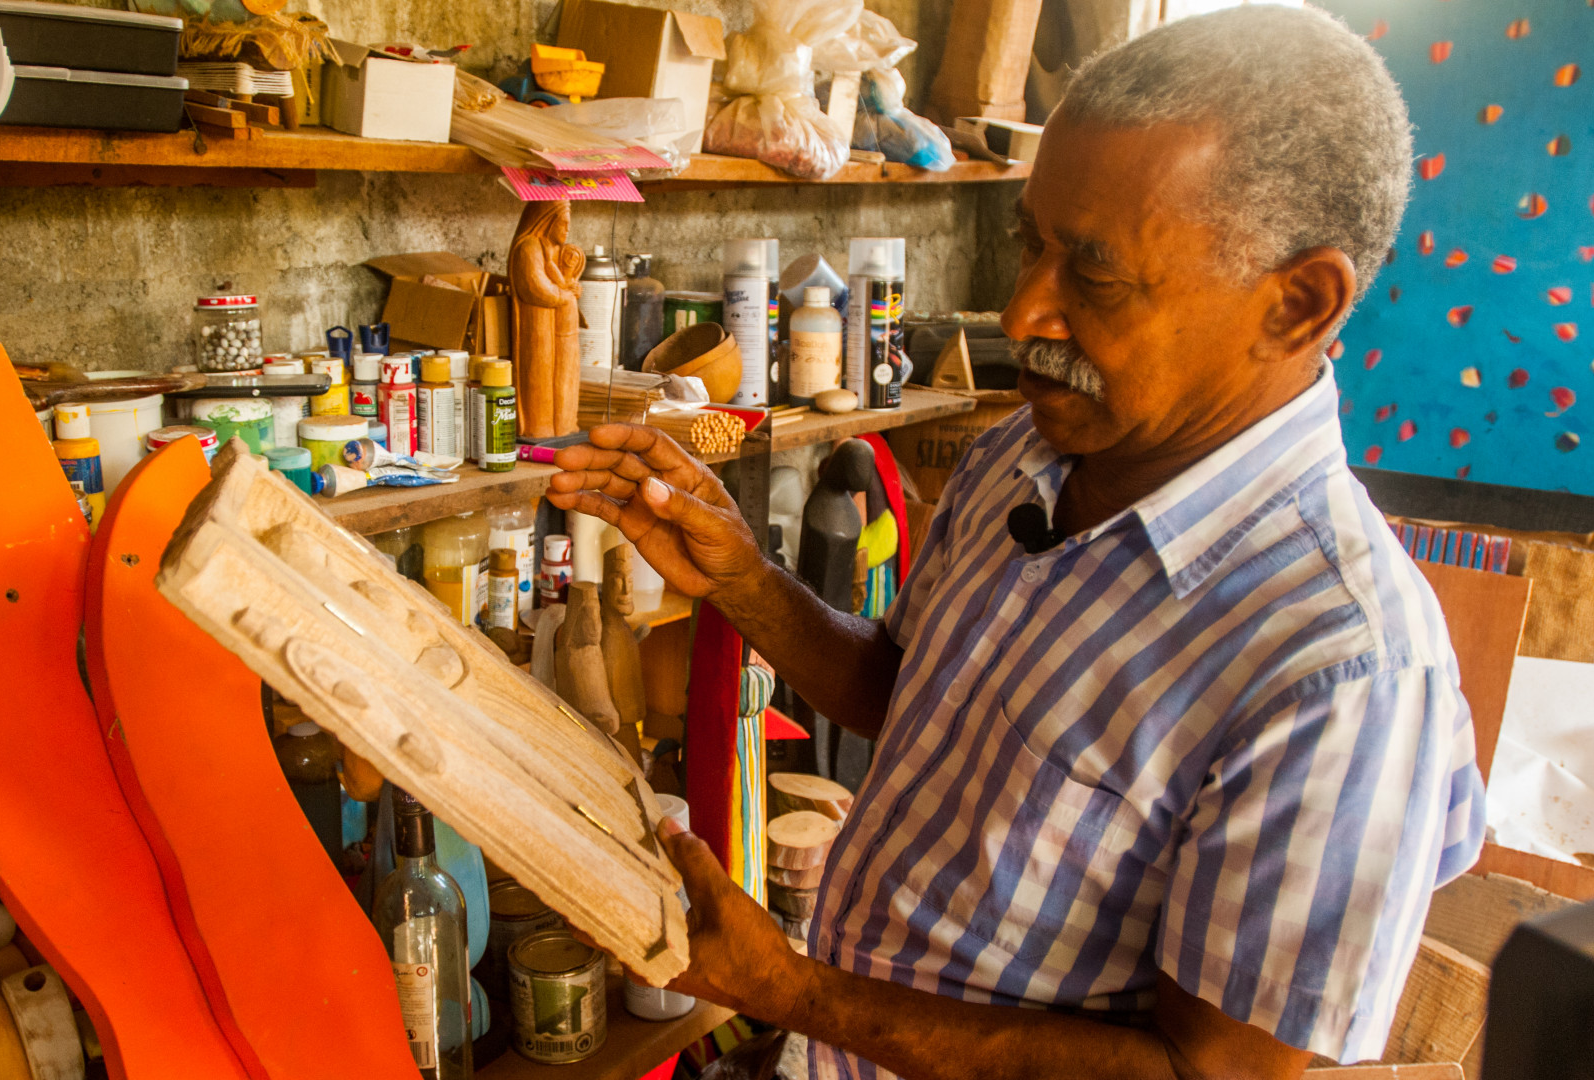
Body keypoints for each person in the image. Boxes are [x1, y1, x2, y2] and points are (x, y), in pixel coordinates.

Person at [545, 7, 1485, 1079]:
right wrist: (745, 581)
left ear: (1297, 305)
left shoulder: (1342, 668)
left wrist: (793, 992)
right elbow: (911, 695)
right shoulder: (1025, 458)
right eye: (1033, 242)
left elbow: (1206, 1074)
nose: (1024, 310)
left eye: (1095, 275)